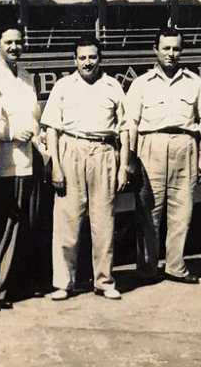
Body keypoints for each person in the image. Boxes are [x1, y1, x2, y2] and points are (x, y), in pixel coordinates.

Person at [41, 35, 130, 301]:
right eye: (82, 58)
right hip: (72, 150)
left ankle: (104, 281)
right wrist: (56, 166)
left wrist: (124, 165)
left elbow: (124, 130)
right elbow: (52, 130)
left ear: (100, 58)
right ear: (75, 59)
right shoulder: (63, 87)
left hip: (104, 152)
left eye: (92, 57)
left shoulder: (113, 86)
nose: (87, 62)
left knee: (104, 221)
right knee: (67, 221)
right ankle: (63, 283)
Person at [123, 26, 201, 284]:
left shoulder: (194, 82)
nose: (171, 54)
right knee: (148, 210)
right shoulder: (141, 84)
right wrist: (131, 159)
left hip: (185, 145)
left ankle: (176, 266)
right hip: (152, 146)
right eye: (166, 48)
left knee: (182, 210)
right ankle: (147, 268)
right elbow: (131, 124)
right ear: (155, 50)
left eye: (176, 49)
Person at [0, 24, 46, 306]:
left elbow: (34, 117)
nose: (15, 47)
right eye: (8, 42)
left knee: (25, 224)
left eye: (18, 42)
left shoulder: (26, 76)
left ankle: (18, 284)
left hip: (28, 160)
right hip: (4, 163)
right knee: (5, 227)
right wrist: (9, 134)